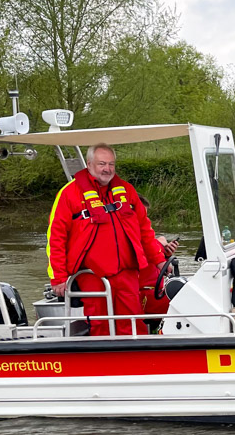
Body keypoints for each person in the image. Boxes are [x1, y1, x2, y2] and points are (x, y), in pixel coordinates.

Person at [47, 144, 167, 336]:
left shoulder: (126, 190)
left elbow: (145, 230)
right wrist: (59, 277)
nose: (107, 169)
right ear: (89, 164)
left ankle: (139, 361)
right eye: (102, 163)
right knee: (100, 325)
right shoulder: (69, 194)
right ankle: (102, 362)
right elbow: (56, 238)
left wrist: (160, 259)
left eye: (111, 164)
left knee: (134, 323)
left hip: (126, 272)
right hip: (91, 274)